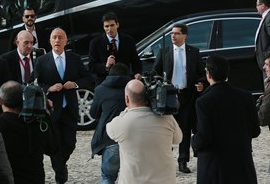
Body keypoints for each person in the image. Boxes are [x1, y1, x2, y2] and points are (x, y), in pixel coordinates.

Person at [35, 28, 93, 183]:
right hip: (52, 110)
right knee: (55, 146)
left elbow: (88, 79)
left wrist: (74, 84)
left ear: (66, 41)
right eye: (54, 37)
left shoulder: (74, 58)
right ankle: (60, 175)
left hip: (70, 109)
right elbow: (36, 84)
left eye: (60, 37)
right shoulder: (42, 61)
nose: (57, 40)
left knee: (70, 144)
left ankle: (61, 165)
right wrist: (48, 89)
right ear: (50, 41)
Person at [192, 55, 260, 184]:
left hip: (215, 167)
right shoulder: (246, 97)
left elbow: (204, 137)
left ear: (209, 75)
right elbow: (255, 131)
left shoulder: (204, 101)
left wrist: (193, 140)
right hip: (241, 163)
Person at [152, 23, 206, 173]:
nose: (173, 36)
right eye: (171, 34)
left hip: (187, 96)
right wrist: (159, 84)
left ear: (185, 35)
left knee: (185, 129)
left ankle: (183, 161)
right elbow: (155, 71)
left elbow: (202, 73)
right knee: (165, 130)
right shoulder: (164, 51)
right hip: (168, 96)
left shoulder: (194, 52)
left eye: (176, 33)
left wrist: (201, 83)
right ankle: (165, 160)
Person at [106, 79, 183, 184]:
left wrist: (126, 110)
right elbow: (178, 139)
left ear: (127, 99)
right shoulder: (167, 118)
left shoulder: (121, 123)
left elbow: (109, 130)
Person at [0, 81, 58, 184]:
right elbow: (53, 148)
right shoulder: (37, 124)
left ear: (0, 100)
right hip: (34, 179)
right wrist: (46, 115)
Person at [90, 63, 131, 184]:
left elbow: (93, 114)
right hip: (131, 139)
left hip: (110, 140)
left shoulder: (100, 89)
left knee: (108, 177)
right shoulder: (134, 88)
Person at [89, 12, 142, 85]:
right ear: (103, 27)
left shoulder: (128, 40)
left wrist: (137, 73)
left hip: (125, 81)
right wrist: (106, 66)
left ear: (117, 25)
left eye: (112, 25)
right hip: (105, 83)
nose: (109, 29)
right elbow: (92, 67)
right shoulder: (95, 43)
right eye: (106, 26)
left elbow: (135, 60)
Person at [255, 0, 270, 77]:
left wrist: (268, 56)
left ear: (263, 6)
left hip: (267, 63)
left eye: (257, 5)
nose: (256, 7)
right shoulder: (265, 17)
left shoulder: (268, 18)